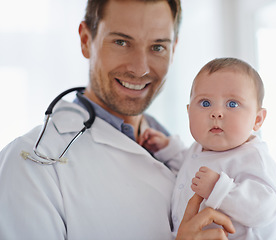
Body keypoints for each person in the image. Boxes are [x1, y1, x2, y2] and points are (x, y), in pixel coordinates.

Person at [0, 1, 236, 240]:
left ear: (173, 49)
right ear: (85, 40)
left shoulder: (186, 150)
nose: (140, 69)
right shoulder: (33, 162)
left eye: (157, 47)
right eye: (121, 42)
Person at [140, 58, 276, 239]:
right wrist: (168, 148)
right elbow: (189, 167)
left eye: (232, 104)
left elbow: (264, 207)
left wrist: (218, 188)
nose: (216, 113)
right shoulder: (199, 149)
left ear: (257, 120)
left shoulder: (252, 156)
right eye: (205, 103)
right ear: (189, 112)